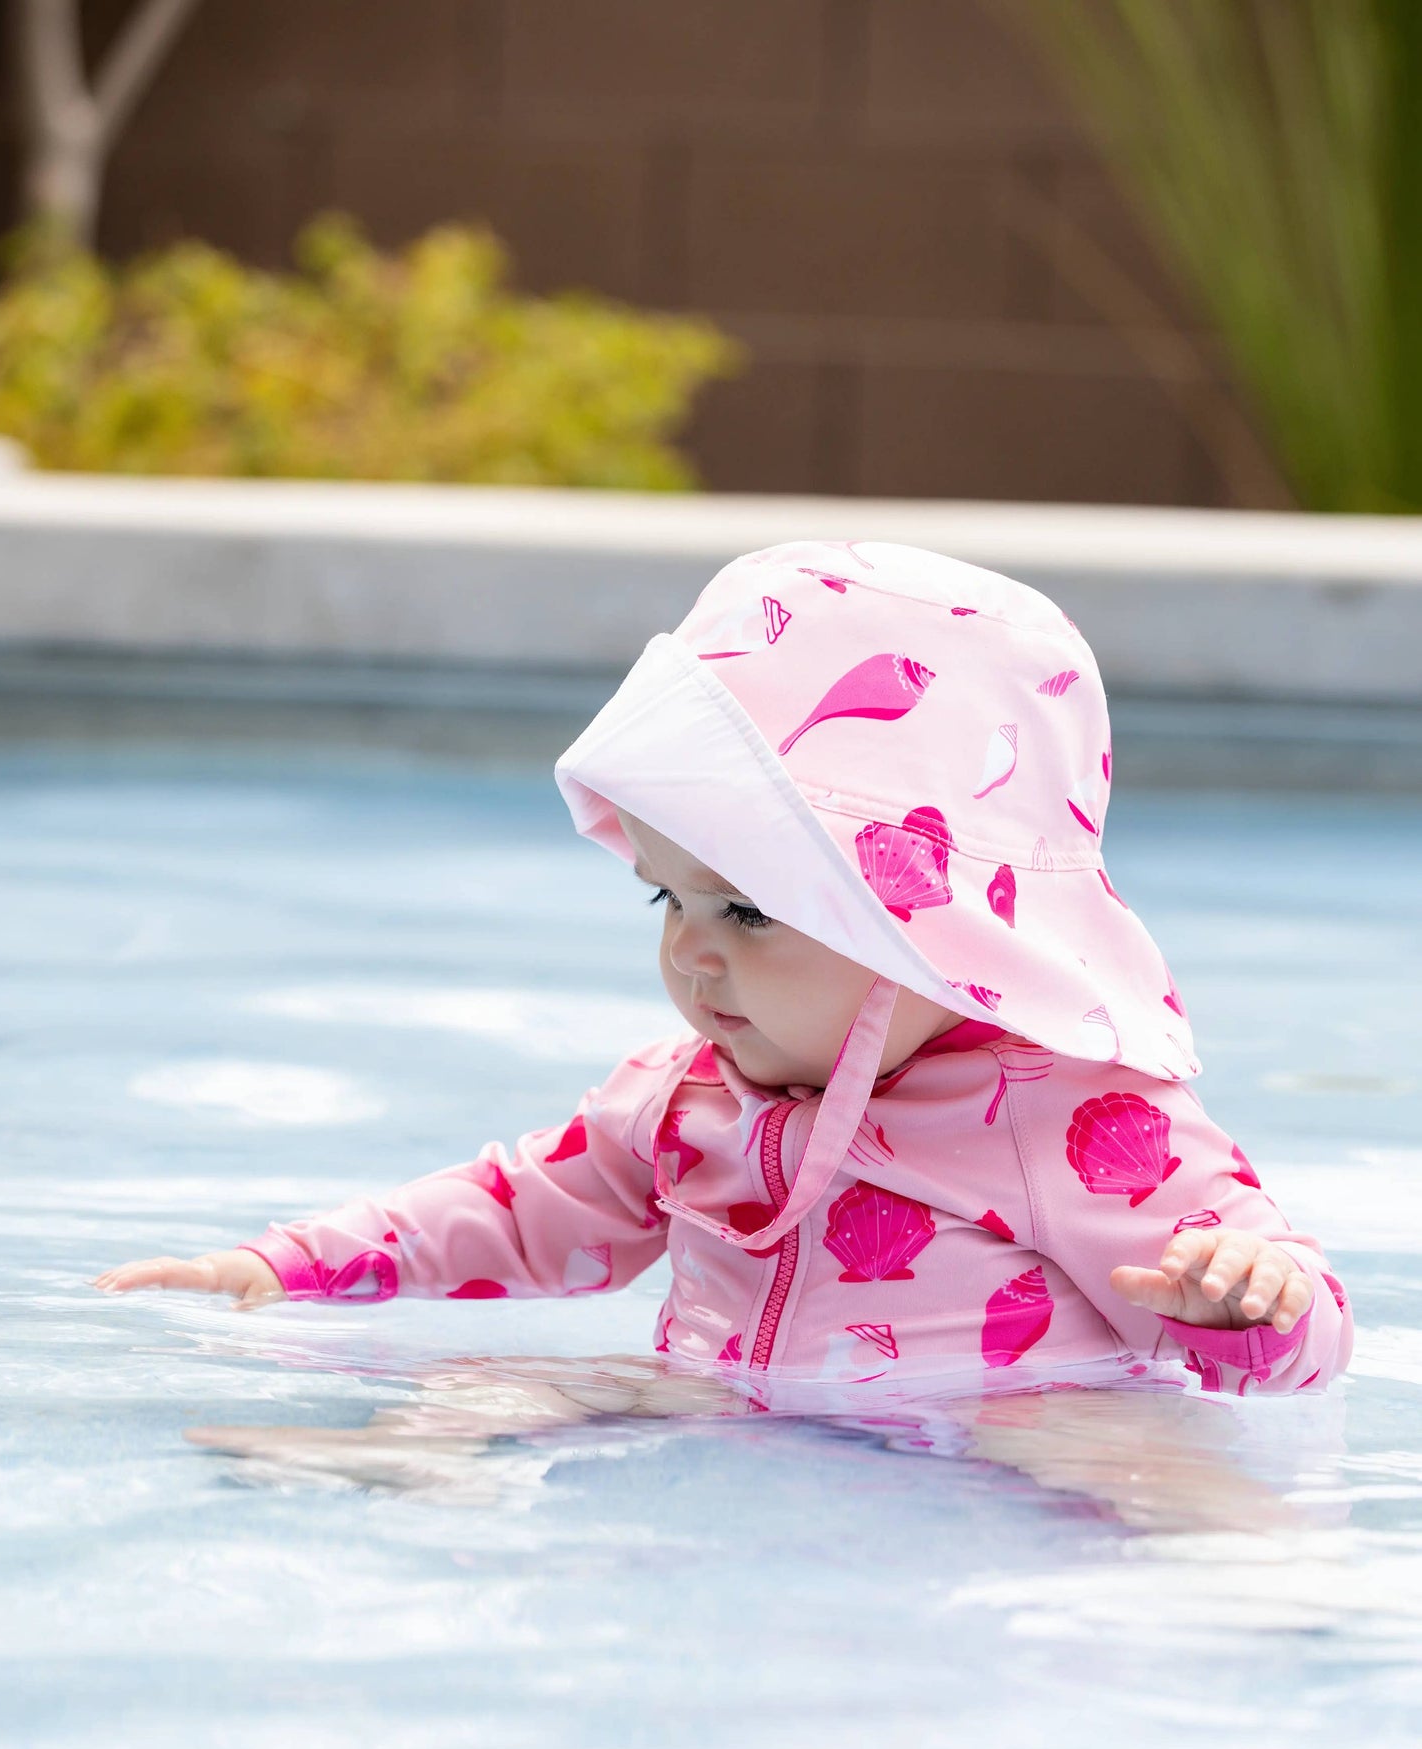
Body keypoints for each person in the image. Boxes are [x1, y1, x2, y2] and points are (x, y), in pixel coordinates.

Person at [96, 540, 1351, 1404]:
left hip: (1003, 1448)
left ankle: (1248, 1593)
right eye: (668, 897)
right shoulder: (684, 1096)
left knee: (1144, 1474)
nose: (690, 952)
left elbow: (1304, 1332)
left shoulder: (1072, 1118)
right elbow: (519, 1208)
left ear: (930, 927)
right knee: (483, 1395)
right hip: (733, 1419)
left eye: (748, 910)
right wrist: (289, 1267)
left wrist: (1253, 1303)